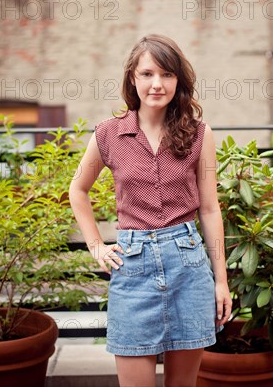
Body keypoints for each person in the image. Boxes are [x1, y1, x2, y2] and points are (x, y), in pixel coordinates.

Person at [69, 34, 232, 387]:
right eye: (147, 74)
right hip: (133, 269)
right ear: (133, 78)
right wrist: (96, 245)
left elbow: (209, 208)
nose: (157, 84)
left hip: (188, 267)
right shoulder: (108, 135)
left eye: (167, 74)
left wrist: (221, 280)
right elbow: (77, 190)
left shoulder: (200, 135)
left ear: (179, 80)